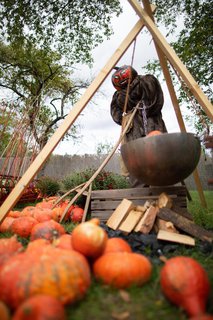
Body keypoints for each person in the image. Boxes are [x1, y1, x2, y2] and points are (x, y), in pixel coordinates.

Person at [110, 65, 167, 186]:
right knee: (136, 169)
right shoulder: (118, 96)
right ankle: (139, 199)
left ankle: (163, 195)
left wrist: (132, 97)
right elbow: (117, 116)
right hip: (132, 134)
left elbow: (154, 103)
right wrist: (127, 110)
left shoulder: (146, 81)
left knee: (159, 165)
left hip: (153, 129)